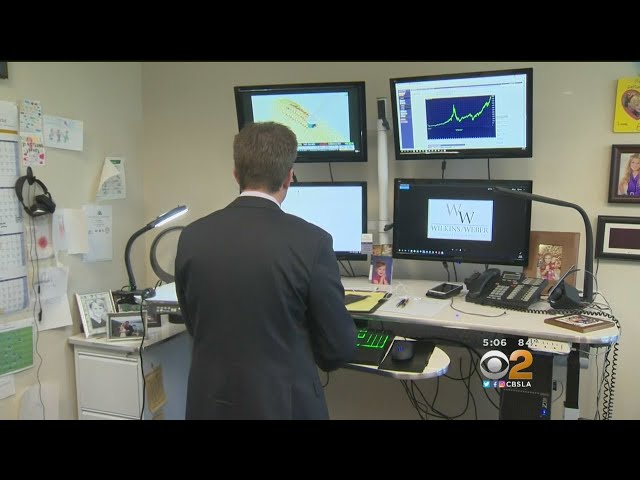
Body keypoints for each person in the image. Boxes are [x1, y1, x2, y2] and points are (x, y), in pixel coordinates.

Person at [174, 121, 357, 420]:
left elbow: (195, 325)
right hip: (285, 408)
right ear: (289, 177)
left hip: (210, 406)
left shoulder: (192, 236)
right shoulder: (313, 242)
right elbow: (337, 350)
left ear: (236, 174)